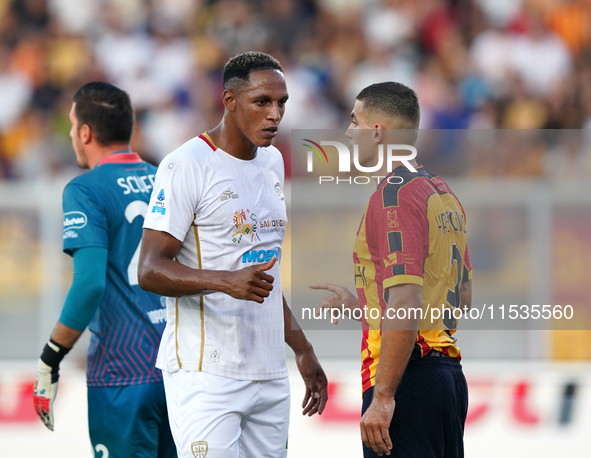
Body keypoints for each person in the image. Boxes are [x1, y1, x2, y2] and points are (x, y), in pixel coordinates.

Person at [138, 51, 328, 458]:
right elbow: (149, 270)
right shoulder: (186, 165)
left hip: (268, 370)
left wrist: (302, 347)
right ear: (229, 101)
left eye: (282, 103)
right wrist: (225, 281)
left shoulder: (273, 162)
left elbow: (263, 275)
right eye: (262, 102)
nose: (275, 114)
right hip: (206, 372)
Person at [311, 82, 472, 457]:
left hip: (405, 382)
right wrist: (365, 308)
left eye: (355, 121)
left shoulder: (393, 195)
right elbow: (461, 298)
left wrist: (383, 396)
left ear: (378, 131)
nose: (349, 132)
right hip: (447, 379)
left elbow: (406, 298)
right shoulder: (442, 192)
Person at [33, 82, 176, 458]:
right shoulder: (165, 178)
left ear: (85, 132)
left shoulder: (85, 190)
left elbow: (90, 283)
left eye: (70, 125)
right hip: (179, 368)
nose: (69, 134)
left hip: (122, 372)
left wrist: (51, 357)